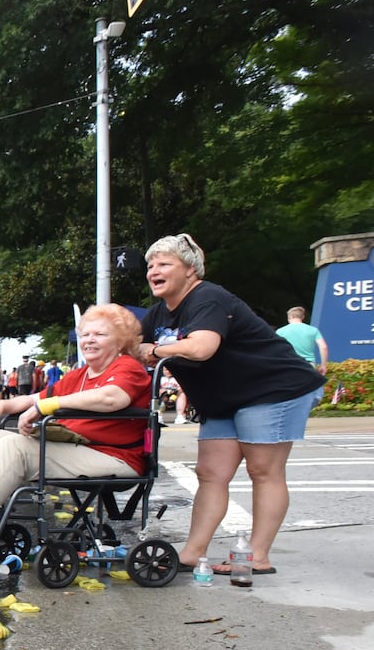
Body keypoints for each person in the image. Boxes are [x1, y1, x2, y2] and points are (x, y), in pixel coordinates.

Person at [134, 234, 324, 575]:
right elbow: (129, 343)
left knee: (262, 471)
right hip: (223, 399)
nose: (153, 271)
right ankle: (192, 552)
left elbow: (201, 347)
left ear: (191, 269)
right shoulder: (159, 313)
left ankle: (257, 556)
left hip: (272, 388)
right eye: (150, 265)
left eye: (164, 264)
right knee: (210, 474)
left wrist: (156, 350)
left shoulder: (208, 298)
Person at [0, 304, 151, 542]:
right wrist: (4, 405)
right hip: (84, 450)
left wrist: (46, 407)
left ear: (120, 341)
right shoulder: (80, 375)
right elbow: (35, 398)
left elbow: (112, 397)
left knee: (17, 447)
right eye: (85, 334)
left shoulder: (128, 367)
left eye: (100, 334)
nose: (89, 340)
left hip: (115, 457)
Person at [276, 307, 329, 376]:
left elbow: (275, 348)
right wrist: (323, 365)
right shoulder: (313, 330)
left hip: (287, 364)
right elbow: (323, 347)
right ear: (302, 317)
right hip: (308, 365)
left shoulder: (280, 331)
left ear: (290, 317)